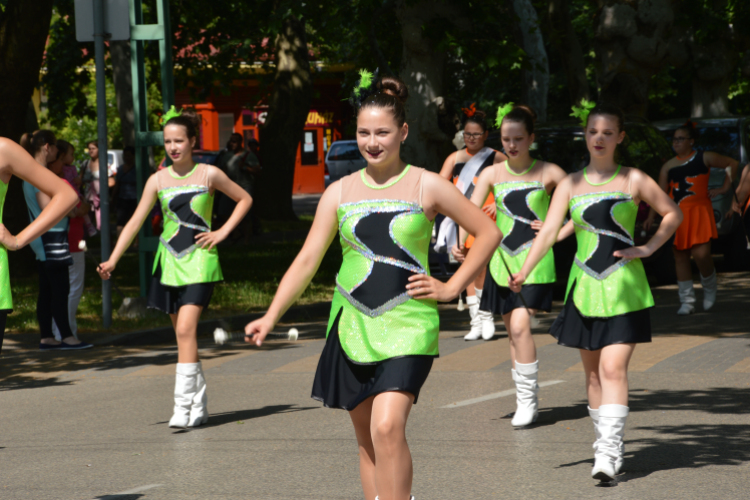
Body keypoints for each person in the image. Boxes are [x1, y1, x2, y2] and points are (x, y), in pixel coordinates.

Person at [244, 73, 500, 500]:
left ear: (402, 131)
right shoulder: (339, 192)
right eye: (363, 132)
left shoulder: (428, 184)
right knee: (367, 442)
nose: (372, 141)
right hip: (350, 324)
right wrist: (271, 315)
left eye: (382, 132)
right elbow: (308, 260)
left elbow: (487, 232)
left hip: (408, 324)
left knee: (387, 427)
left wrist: (451, 287)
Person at [509, 103, 682, 482]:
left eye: (607, 132)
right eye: (592, 132)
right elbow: (550, 232)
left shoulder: (634, 179)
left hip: (625, 288)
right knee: (591, 378)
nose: (599, 138)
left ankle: (608, 453)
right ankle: (605, 446)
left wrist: (649, 248)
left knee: (611, 367)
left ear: (620, 137)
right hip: (583, 288)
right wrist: (525, 269)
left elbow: (672, 212)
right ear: (584, 136)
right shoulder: (570, 184)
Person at [97, 109, 252, 429]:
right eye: (167, 141)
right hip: (168, 264)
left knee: (185, 330)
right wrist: (113, 258)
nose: (173, 147)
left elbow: (244, 199)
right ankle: (199, 401)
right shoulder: (157, 179)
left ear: (193, 141)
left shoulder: (209, 174)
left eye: (179, 140)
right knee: (184, 337)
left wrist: (222, 232)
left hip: (200, 262)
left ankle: (182, 405)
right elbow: (135, 222)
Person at [455, 104, 566, 427]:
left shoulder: (550, 172)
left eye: (519, 138)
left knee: (519, 327)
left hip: (535, 263)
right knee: (512, 334)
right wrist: (462, 245)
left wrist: (554, 229)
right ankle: (522, 400)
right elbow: (468, 212)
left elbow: (579, 209)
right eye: (506, 138)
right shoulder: (491, 174)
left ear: (531, 138)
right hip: (501, 262)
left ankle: (529, 402)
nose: (512, 145)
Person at [644, 122, 737, 315]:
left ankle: (710, 288)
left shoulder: (705, 157)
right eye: (674, 139)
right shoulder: (668, 166)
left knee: (702, 255)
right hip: (676, 215)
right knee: (680, 257)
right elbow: (660, 193)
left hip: (699, 212)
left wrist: (724, 188)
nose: (676, 143)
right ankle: (687, 301)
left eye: (680, 139)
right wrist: (651, 215)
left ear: (691, 141)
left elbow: (732, 163)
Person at [438, 104, 508, 341]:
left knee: (483, 268)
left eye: (476, 134)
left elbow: (513, 183)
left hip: (489, 219)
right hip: (463, 219)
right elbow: (439, 186)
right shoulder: (454, 158)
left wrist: (498, 204)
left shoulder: (496, 157)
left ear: (486, 135)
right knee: (468, 268)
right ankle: (475, 321)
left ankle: (487, 316)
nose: (471, 138)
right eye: (468, 134)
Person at [19, 131, 92, 351]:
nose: (57, 153)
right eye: (55, 149)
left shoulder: (31, 172)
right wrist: (70, 207)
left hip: (44, 239)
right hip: (51, 238)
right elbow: (47, 205)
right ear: (46, 147)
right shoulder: (38, 173)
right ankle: (67, 337)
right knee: (60, 288)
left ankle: (47, 336)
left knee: (48, 288)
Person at [50, 141, 90, 340]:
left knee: (62, 286)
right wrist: (84, 207)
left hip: (62, 239)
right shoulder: (64, 183)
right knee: (73, 287)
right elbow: (77, 208)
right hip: (72, 238)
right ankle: (66, 331)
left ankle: (61, 330)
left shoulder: (47, 181)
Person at [215, 133, 259, 242]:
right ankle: (236, 233)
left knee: (246, 216)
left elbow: (258, 171)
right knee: (223, 212)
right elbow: (222, 172)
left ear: (240, 142)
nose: (232, 143)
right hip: (230, 188)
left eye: (235, 141)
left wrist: (245, 167)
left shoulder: (249, 155)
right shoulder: (226, 156)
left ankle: (247, 241)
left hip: (245, 187)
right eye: (231, 141)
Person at [80, 139, 116, 230]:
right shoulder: (85, 164)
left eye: (93, 148)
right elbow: (80, 180)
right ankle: (86, 242)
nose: (91, 151)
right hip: (87, 198)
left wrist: (99, 184)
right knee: (86, 224)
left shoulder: (104, 164)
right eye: (89, 149)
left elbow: (112, 182)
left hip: (100, 199)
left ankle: (106, 243)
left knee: (102, 224)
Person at [113, 146, 138, 243]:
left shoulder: (138, 169)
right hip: (122, 199)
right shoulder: (120, 169)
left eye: (129, 155)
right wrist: (113, 198)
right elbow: (117, 184)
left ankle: (136, 242)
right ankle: (120, 242)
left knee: (135, 220)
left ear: (133, 156)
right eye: (125, 155)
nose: (127, 158)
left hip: (135, 198)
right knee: (120, 221)